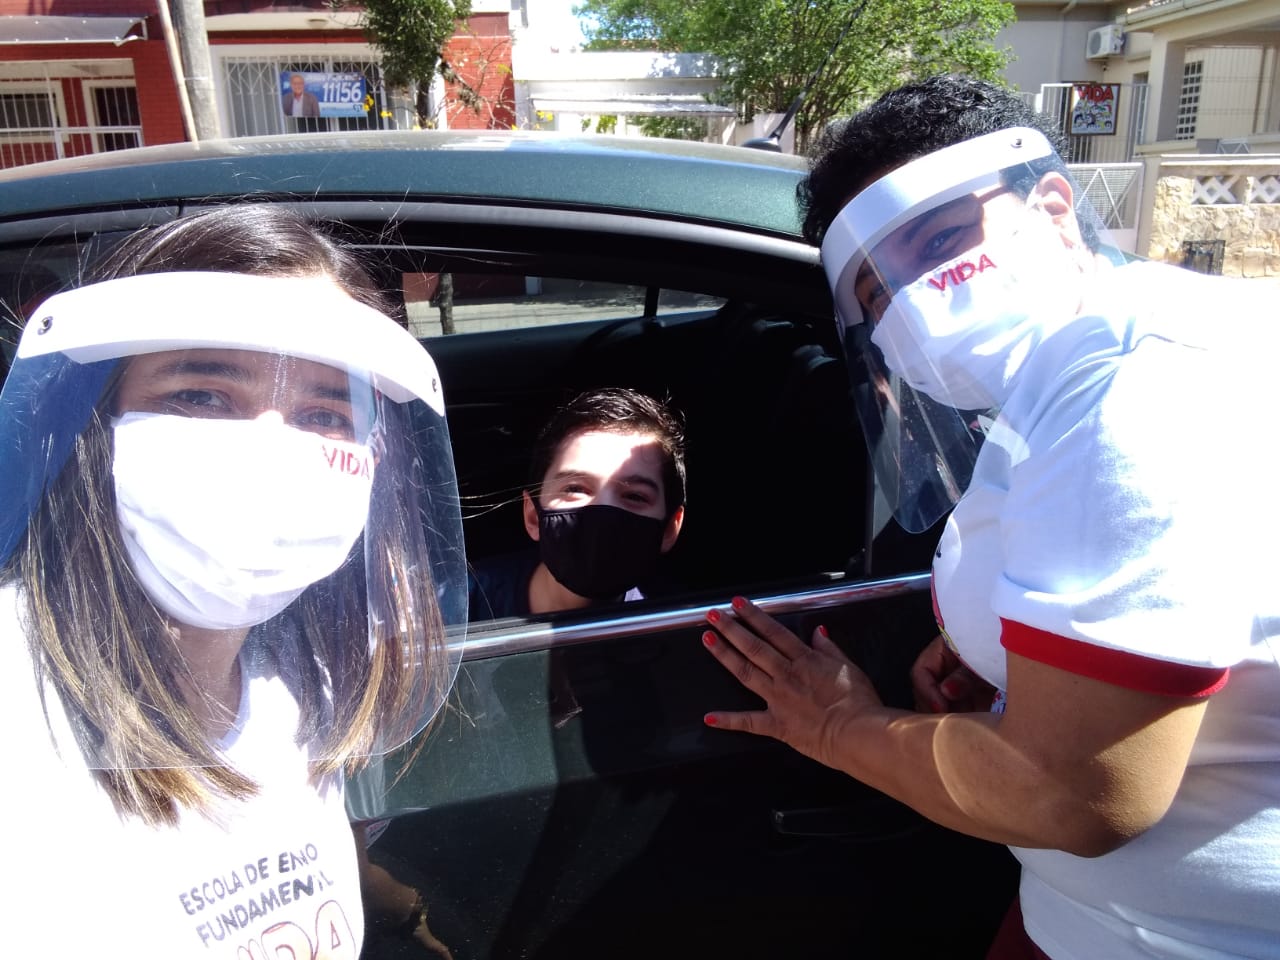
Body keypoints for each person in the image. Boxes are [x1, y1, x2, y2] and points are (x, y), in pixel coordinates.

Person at [700, 74, 1280, 960]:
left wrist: (840, 728)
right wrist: (1010, 663)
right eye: (878, 294)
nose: (915, 298)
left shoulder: (1123, 395)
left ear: (1054, 208)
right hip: (1097, 923)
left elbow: (1078, 795)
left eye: (940, 241)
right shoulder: (1129, 339)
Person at [1, 205, 468, 957]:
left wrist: (408, 915)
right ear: (92, 425)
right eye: (202, 397)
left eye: (324, 413)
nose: (270, 454)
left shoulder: (302, 679)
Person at [468, 387, 686, 619]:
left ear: (669, 529)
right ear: (533, 516)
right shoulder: (456, 607)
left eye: (635, 496)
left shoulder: (680, 622)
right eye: (575, 489)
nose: (603, 510)